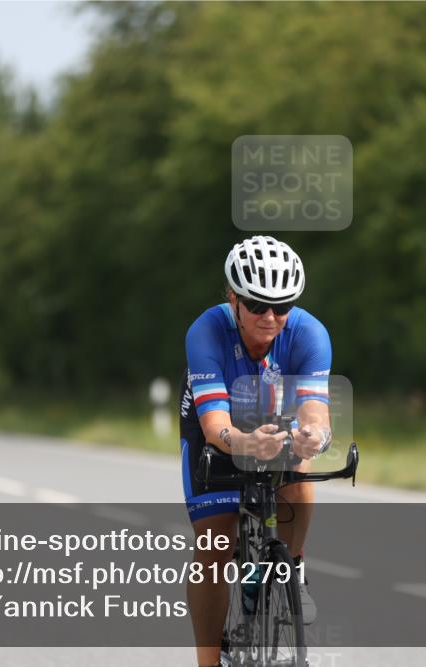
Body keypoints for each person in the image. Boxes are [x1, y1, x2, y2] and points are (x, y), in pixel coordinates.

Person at [180, 235, 332, 667]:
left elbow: (315, 412)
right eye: (257, 305)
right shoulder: (206, 331)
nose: (270, 317)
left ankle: (292, 568)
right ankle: (209, 662)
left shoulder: (309, 334)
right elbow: (214, 427)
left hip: (274, 416)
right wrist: (244, 444)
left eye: (281, 307)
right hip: (216, 422)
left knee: (299, 466)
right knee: (214, 542)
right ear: (233, 298)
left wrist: (313, 436)